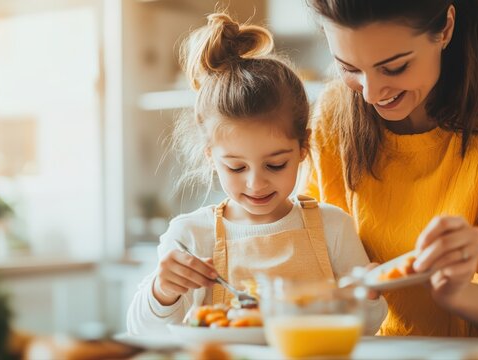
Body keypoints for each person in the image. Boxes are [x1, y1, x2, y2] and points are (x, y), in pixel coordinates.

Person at [303, 0, 478, 337]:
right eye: (348, 68)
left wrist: (459, 293)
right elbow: (305, 261)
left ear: (445, 28)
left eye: (395, 67)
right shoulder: (333, 114)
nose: (370, 93)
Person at [126, 12, 388, 335]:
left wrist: (369, 296)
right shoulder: (192, 236)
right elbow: (142, 332)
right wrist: (161, 292)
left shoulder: (333, 228)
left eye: (275, 164)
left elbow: (368, 326)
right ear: (211, 157)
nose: (256, 183)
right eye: (236, 167)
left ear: (303, 146)